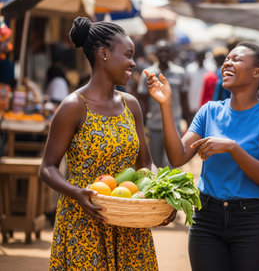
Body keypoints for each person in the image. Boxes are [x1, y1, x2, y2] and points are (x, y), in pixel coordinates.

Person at [40, 17, 171, 270]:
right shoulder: (73, 107)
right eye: (128, 55)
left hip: (129, 222)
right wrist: (76, 193)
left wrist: (157, 199)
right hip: (84, 219)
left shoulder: (130, 104)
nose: (133, 62)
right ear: (103, 54)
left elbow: (145, 163)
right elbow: (47, 167)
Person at [145, 41, 259, 271]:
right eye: (226, 59)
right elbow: (178, 157)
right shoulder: (209, 111)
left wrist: (233, 148)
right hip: (206, 219)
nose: (227, 64)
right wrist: (166, 105)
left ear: (258, 72)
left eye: (236, 59)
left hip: (251, 220)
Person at [137, 39, 190, 168]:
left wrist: (188, 122)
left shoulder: (180, 73)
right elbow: (142, 101)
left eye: (166, 51)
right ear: (156, 53)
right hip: (154, 126)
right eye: (161, 51)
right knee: (156, 164)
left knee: (172, 164)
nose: (163, 54)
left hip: (174, 126)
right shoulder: (148, 75)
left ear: (171, 53)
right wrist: (141, 125)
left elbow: (184, 100)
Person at [186, 49, 209, 124]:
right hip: (192, 104)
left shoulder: (209, 70)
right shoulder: (190, 69)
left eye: (202, 57)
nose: (200, 59)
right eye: (198, 57)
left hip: (205, 105)